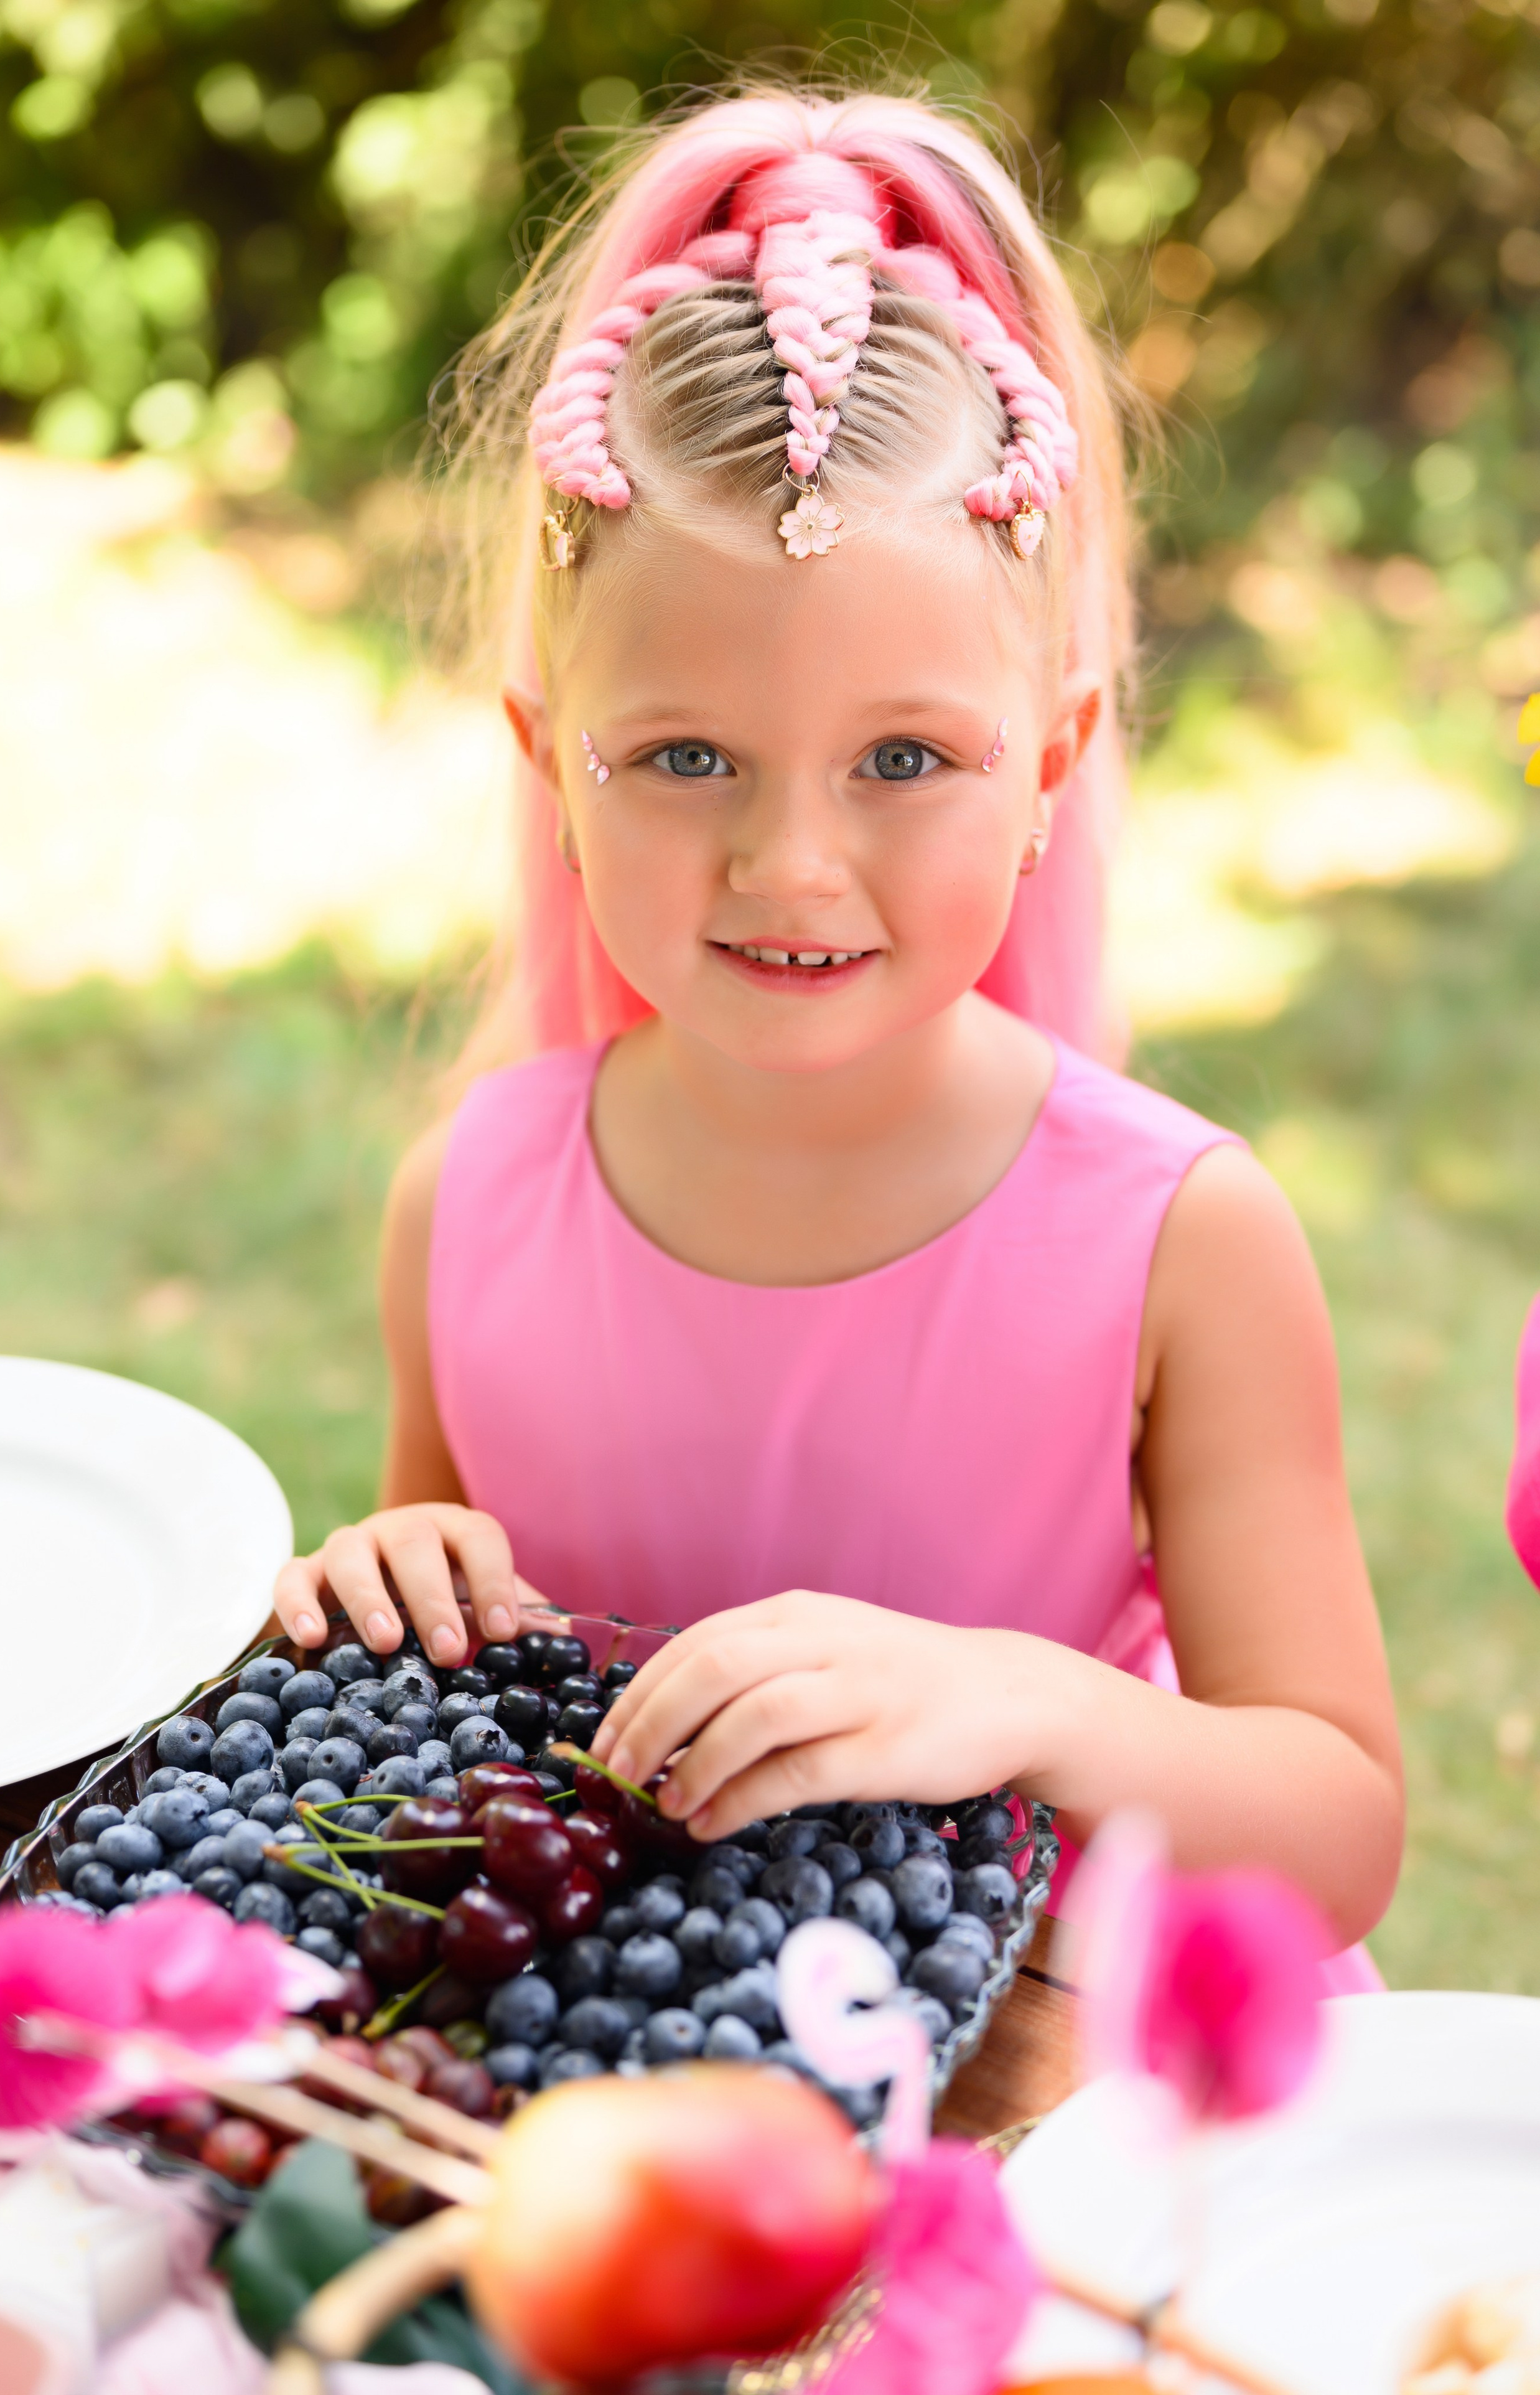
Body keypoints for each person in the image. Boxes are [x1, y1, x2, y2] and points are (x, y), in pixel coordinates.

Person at [271, 86, 1402, 1957]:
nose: (792, 867)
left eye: (903, 759)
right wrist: (395, 1587)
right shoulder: (464, 1202)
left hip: (1038, 2092)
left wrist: (1029, 1703)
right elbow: (447, 1703)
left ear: (1051, 762)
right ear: (554, 766)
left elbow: (1336, 1826)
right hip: (613, 2078)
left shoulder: (1182, 1241)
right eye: (687, 757)